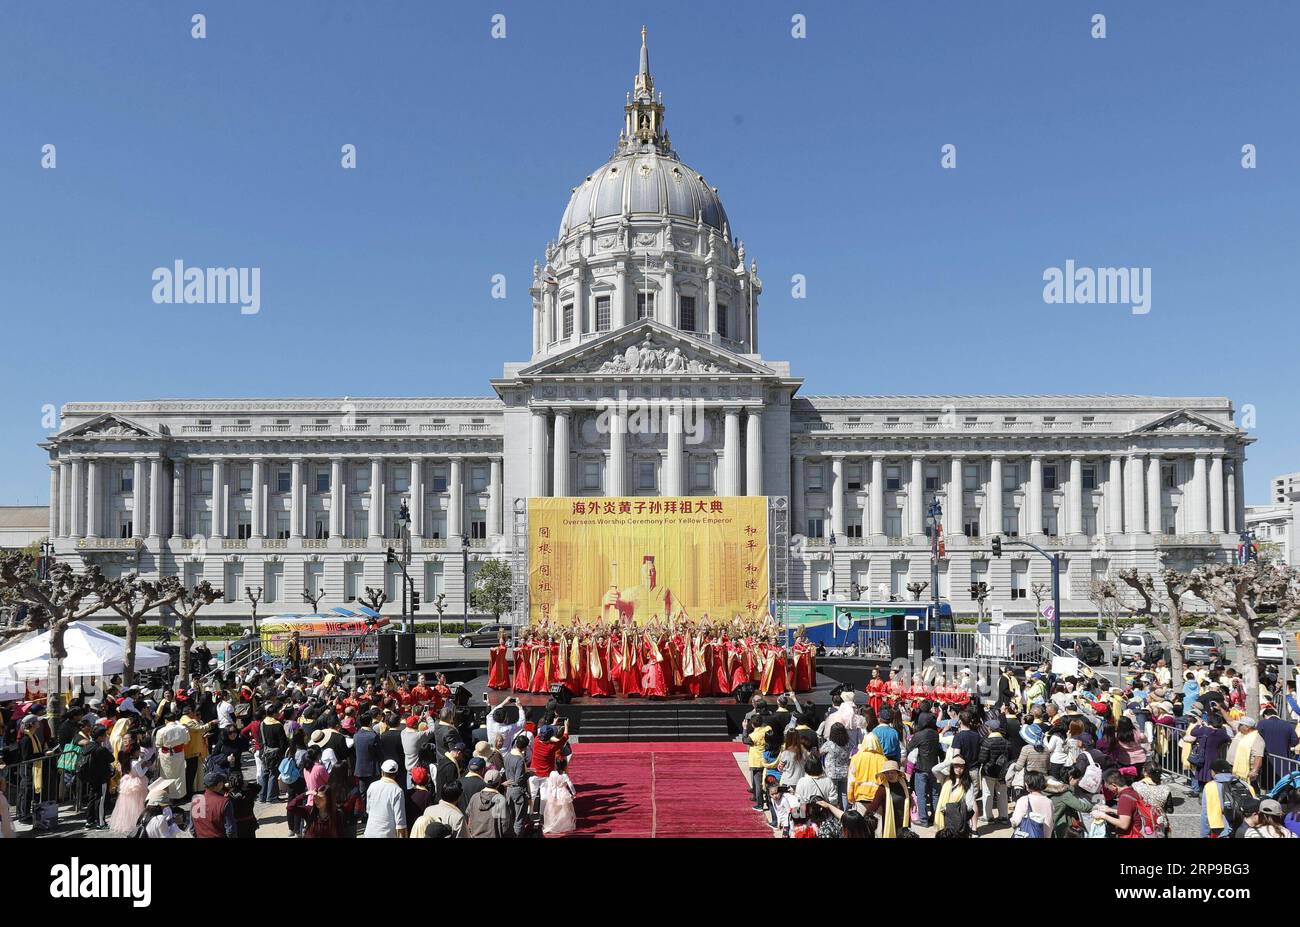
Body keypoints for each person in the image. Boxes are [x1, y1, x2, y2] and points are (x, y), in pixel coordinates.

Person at [864, 759, 911, 838]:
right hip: (890, 823)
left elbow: (907, 797)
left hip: (905, 821)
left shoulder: (903, 783)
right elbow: (874, 805)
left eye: (892, 772)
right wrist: (863, 818)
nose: (890, 775)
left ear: (897, 773)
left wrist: (912, 802)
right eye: (887, 773)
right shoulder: (882, 788)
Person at [363, 759, 408, 838]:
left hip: (370, 832)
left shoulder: (372, 785)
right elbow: (400, 822)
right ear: (396, 774)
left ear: (382, 772)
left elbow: (368, 810)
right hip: (387, 835)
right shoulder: (397, 791)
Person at [465, 769, 514, 837]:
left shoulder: (475, 797)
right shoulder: (501, 800)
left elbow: (469, 821)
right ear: (499, 783)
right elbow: (505, 826)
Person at [819, 723, 852, 810]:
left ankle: (834, 812)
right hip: (845, 772)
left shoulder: (829, 744)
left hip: (832, 773)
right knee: (844, 794)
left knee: (834, 795)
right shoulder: (847, 744)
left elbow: (820, 753)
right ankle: (845, 812)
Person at [1010, 770, 1053, 838]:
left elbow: (1016, 821)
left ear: (1027, 784)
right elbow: (1049, 823)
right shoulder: (1049, 801)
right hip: (1042, 835)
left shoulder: (1023, 800)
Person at [847, 732, 886, 805]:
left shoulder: (856, 758)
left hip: (860, 797)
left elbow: (851, 780)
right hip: (877, 799)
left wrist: (850, 798)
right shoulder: (883, 759)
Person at [542, 755, 577, 834]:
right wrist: (574, 793)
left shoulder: (552, 773)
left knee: (553, 810)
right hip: (563, 794)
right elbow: (570, 785)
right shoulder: (564, 775)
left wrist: (549, 793)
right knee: (564, 810)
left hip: (553, 793)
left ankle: (553, 824)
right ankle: (563, 824)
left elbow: (550, 785)